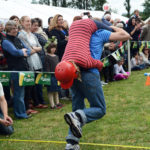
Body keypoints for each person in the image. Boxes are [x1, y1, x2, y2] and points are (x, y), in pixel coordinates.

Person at [55, 25, 130, 150]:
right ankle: (77, 118)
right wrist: (110, 26)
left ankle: (72, 143)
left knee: (77, 108)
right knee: (99, 109)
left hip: (73, 70)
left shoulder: (76, 35)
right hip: (89, 73)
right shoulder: (100, 33)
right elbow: (126, 35)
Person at [2, 20, 30, 119]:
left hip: (23, 68)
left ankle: (22, 112)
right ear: (8, 29)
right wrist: (22, 52)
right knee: (18, 94)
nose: (16, 30)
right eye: (13, 28)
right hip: (15, 69)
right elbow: (14, 52)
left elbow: (29, 50)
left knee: (22, 92)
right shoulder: (6, 41)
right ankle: (20, 114)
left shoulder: (18, 39)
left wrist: (22, 52)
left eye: (16, 28)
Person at [44, 40, 63, 109]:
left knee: (56, 90)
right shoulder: (47, 57)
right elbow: (46, 66)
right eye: (52, 48)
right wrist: (48, 73)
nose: (53, 49)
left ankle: (57, 103)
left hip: (56, 75)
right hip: (50, 76)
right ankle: (52, 105)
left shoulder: (56, 56)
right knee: (50, 90)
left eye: (55, 48)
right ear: (49, 48)